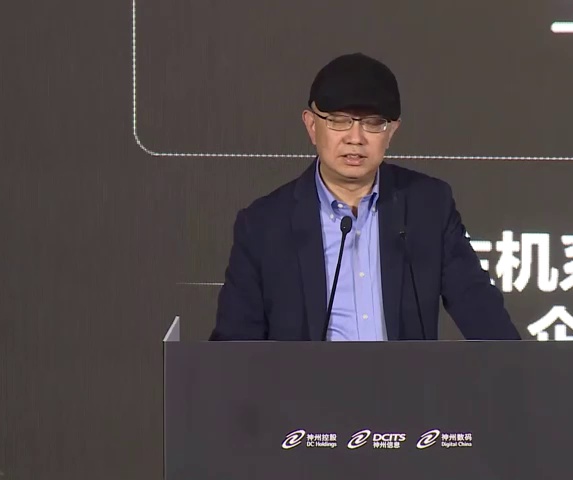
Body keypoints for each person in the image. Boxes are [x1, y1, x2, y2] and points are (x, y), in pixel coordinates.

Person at [210, 52, 520, 341]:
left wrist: (523, 370)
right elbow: (233, 349)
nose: (355, 138)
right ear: (312, 125)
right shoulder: (263, 226)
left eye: (372, 123)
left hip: (404, 383)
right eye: (338, 121)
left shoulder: (428, 206)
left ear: (391, 131)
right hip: (305, 384)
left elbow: (481, 310)